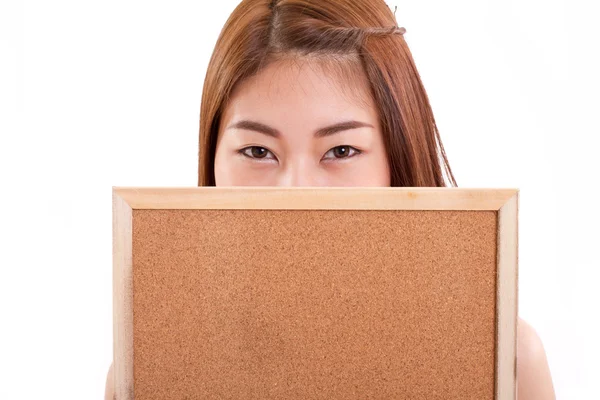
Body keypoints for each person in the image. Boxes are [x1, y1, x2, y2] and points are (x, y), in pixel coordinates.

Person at [105, 0, 555, 398]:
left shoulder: (508, 360)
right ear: (213, 159)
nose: (296, 192)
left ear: (397, 158)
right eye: (257, 152)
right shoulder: (147, 369)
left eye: (341, 151)